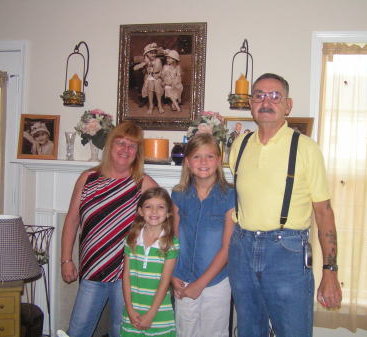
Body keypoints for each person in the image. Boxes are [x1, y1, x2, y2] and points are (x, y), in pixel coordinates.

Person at [228, 73, 342, 337]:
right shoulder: (240, 145)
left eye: (275, 96)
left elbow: (323, 212)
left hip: (287, 252)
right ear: (251, 104)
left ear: (288, 105)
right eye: (259, 95)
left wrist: (330, 271)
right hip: (242, 249)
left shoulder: (305, 148)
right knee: (248, 330)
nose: (266, 101)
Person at [61, 121, 158, 337]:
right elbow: (72, 220)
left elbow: (168, 215)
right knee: (78, 330)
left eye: (132, 146)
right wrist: (66, 259)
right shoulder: (87, 179)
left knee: (121, 331)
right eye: (120, 143)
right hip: (92, 269)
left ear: (137, 153)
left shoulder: (143, 183)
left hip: (127, 273)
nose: (125, 149)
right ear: (110, 146)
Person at [171, 133, 235, 337]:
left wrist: (201, 284)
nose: (204, 162)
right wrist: (172, 274)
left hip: (216, 282)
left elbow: (227, 248)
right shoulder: (179, 194)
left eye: (209, 156)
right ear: (188, 162)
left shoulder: (231, 196)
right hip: (183, 279)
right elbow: (173, 240)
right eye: (197, 157)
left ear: (218, 160)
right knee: (185, 332)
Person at [121, 187, 179, 337]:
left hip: (159, 314)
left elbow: (165, 282)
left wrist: (151, 314)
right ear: (140, 211)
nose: (154, 211)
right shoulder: (131, 239)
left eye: (160, 207)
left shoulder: (170, 244)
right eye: (148, 206)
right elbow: (126, 276)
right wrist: (129, 308)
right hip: (132, 313)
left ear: (168, 213)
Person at [133, 43, 164, 114]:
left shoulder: (158, 60)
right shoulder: (146, 61)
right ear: (147, 54)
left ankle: (159, 105)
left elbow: (161, 71)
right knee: (150, 85)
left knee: (156, 84)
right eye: (151, 53)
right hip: (149, 78)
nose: (153, 55)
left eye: (154, 53)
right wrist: (145, 63)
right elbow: (135, 68)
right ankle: (151, 105)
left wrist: (158, 75)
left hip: (157, 77)